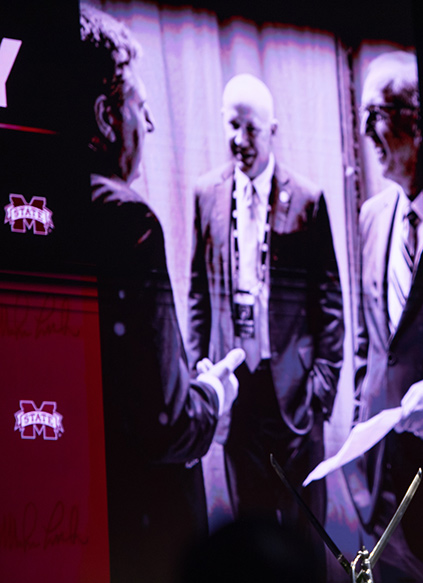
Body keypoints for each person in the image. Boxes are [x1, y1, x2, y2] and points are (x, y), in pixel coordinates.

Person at [80, 5, 244, 583]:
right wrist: (212, 394)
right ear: (105, 116)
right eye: (141, 111)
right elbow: (166, 423)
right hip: (141, 538)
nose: (148, 129)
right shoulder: (125, 220)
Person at [186, 73, 343, 577]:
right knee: (247, 547)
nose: (239, 140)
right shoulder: (204, 195)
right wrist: (198, 368)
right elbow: (196, 291)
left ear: (271, 130)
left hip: (296, 399)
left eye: (250, 129)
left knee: (305, 541)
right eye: (232, 127)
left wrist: (322, 387)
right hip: (239, 396)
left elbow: (331, 303)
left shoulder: (308, 199)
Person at [343, 51, 423, 583]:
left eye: (375, 114)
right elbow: (369, 342)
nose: (365, 133)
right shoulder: (369, 217)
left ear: (418, 120)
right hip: (381, 489)